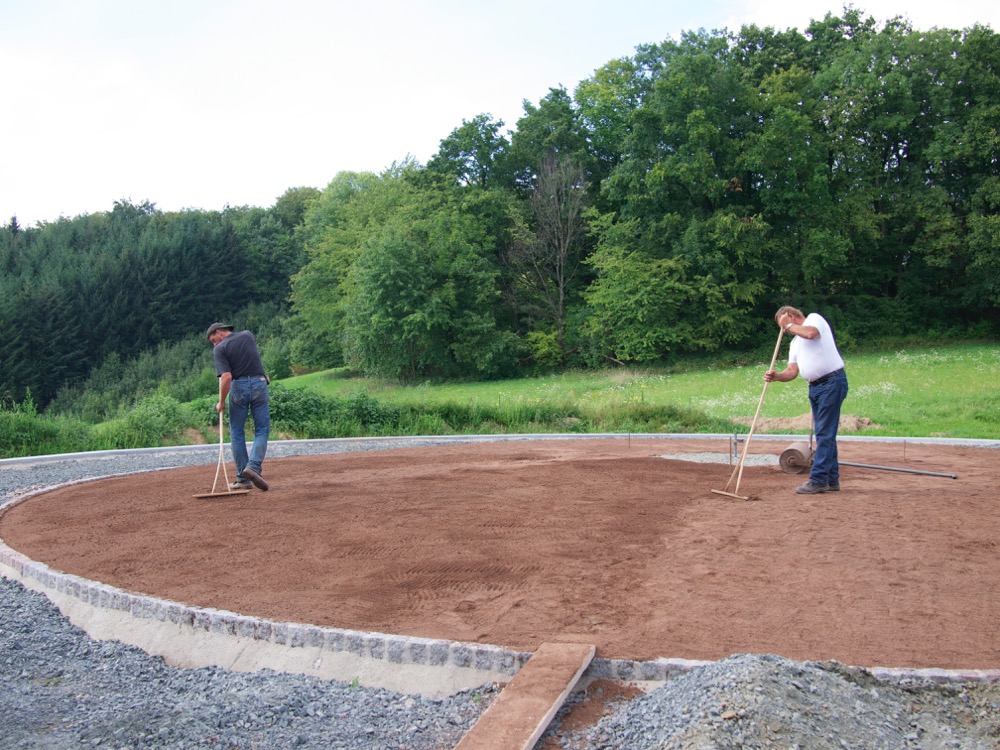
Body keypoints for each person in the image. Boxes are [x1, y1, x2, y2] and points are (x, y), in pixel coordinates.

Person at [764, 306, 848, 494]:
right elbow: (792, 371)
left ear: (791, 316)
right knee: (824, 433)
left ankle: (818, 480)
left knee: (824, 433)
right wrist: (777, 376)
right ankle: (831, 479)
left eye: (783, 326)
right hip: (815, 387)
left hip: (832, 382)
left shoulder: (814, 319)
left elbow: (811, 334)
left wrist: (789, 325)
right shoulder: (794, 343)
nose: (784, 331)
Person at [206, 322, 271, 491]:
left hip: (239, 387)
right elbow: (253, 358)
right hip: (259, 383)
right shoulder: (248, 335)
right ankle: (254, 467)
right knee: (262, 429)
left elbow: (226, 377)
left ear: (219, 332)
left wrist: (221, 402)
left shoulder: (220, 349)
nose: (214, 344)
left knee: (236, 432)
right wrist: (262, 375)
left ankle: (243, 478)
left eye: (214, 339)